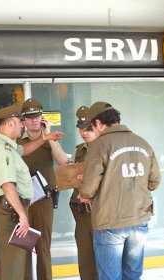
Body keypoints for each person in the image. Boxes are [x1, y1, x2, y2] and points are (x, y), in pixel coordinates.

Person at [79, 101, 161, 280]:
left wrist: (85, 194)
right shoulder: (142, 143)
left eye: (92, 127)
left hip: (110, 221)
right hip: (139, 219)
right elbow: (154, 182)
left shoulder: (100, 145)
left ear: (99, 123)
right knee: (132, 274)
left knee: (110, 276)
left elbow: (88, 189)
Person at [0, 102, 64, 280]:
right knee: (15, 258)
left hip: (25, 205)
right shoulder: (4, 149)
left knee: (14, 256)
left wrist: (46, 138)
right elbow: (7, 185)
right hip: (13, 209)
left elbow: (24, 150)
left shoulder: (6, 145)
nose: (23, 124)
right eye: (20, 121)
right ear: (10, 124)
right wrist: (23, 215)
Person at [17, 98, 68, 280]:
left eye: (37, 116)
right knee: (23, 248)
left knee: (43, 248)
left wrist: (49, 136)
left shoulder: (50, 140)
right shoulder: (17, 142)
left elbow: (63, 161)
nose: (34, 120)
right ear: (23, 121)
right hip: (22, 202)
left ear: (42, 118)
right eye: (30, 117)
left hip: (43, 201)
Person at [69, 105, 99, 280]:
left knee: (104, 260)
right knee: (86, 261)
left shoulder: (105, 149)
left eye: (87, 128)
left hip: (100, 212)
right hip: (81, 213)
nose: (84, 132)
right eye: (81, 128)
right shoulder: (79, 151)